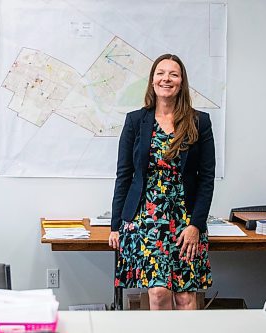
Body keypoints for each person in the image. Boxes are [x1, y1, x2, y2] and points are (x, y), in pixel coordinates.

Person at [109, 54, 215, 310]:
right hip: (146, 220)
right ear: (152, 80)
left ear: (181, 82)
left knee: (186, 297)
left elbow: (206, 178)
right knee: (158, 293)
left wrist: (196, 225)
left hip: (185, 220)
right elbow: (124, 174)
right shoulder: (135, 121)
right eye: (161, 73)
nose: (166, 79)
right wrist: (115, 225)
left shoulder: (199, 122)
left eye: (173, 74)